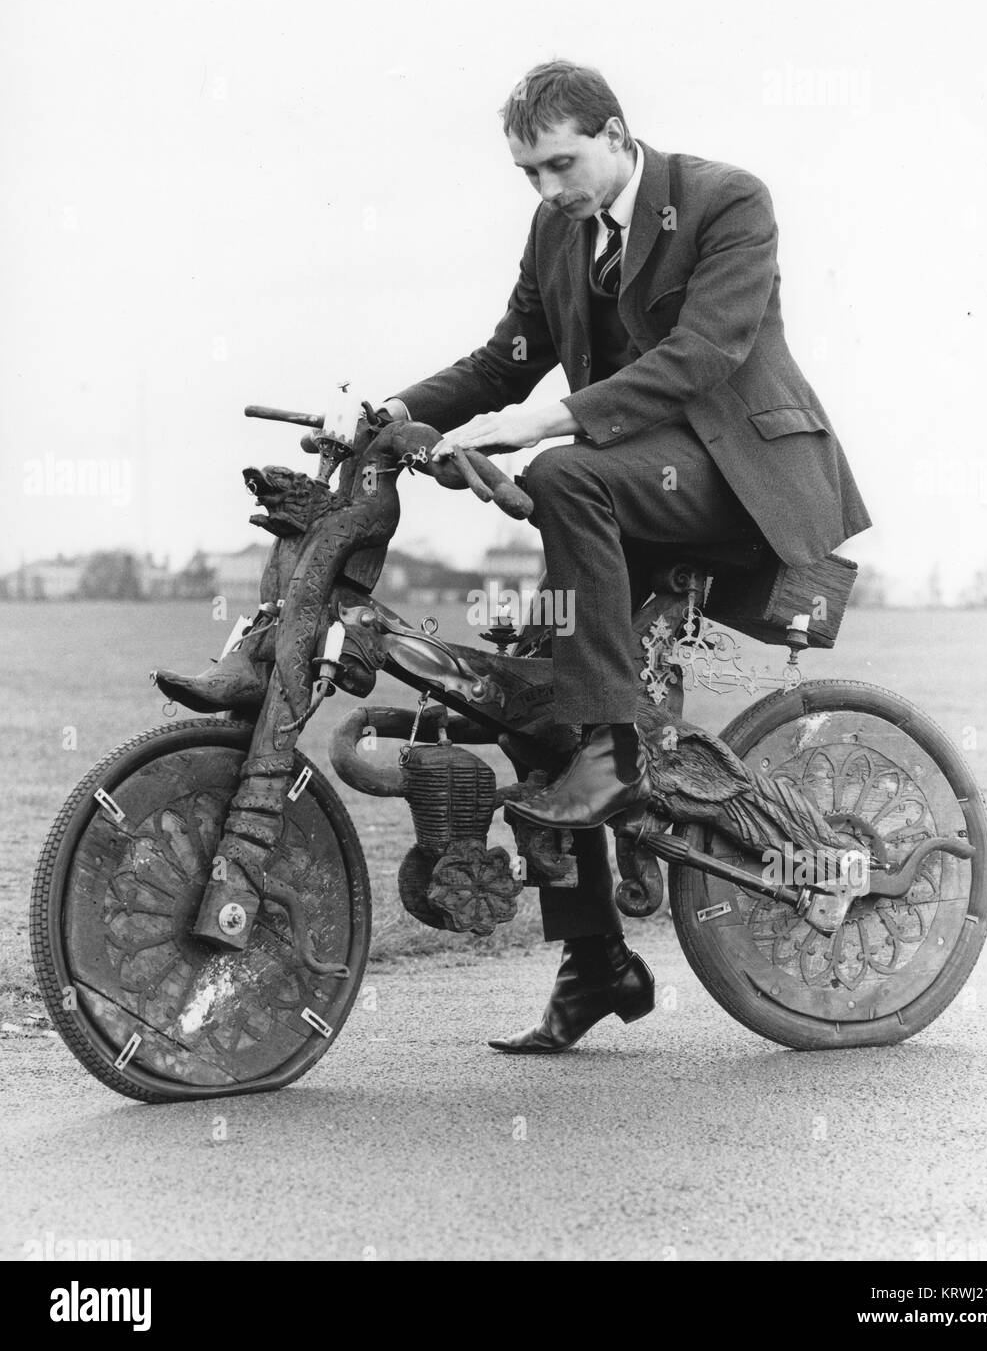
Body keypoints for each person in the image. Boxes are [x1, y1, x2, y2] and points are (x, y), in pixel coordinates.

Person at [163, 60, 872, 1056]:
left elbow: (703, 358)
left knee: (569, 478)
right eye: (530, 174)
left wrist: (545, 422)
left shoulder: (725, 201)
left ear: (617, 137)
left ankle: (618, 750)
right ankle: (595, 964)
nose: (547, 190)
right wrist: (390, 415)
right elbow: (504, 359)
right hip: (618, 494)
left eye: (561, 165)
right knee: (542, 697)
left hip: (739, 479)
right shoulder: (557, 231)